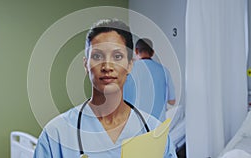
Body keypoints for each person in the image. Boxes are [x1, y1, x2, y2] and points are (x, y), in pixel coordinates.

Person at [33, 19, 177, 158]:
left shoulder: (155, 132)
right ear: (85, 65)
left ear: (130, 65)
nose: (107, 67)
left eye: (117, 56)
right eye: (97, 56)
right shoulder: (55, 134)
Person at [123, 38, 176, 122]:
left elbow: (122, 100)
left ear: (136, 51)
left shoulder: (129, 70)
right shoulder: (164, 71)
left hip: (135, 125)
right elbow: (172, 101)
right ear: (152, 52)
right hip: (158, 127)